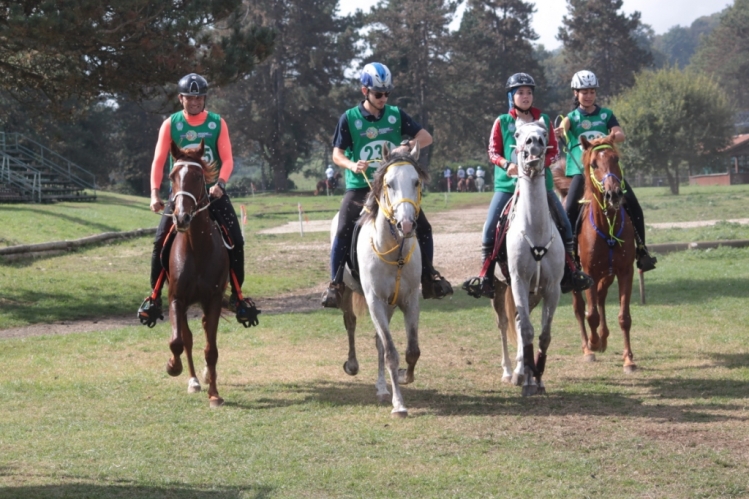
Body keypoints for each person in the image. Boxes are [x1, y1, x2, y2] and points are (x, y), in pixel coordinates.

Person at [322, 62, 453, 307]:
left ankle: (429, 276)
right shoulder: (349, 118)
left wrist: (406, 145)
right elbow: (336, 155)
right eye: (378, 94)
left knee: (423, 227)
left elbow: (426, 137)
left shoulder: (395, 115)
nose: (384, 98)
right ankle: (336, 284)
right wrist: (352, 165)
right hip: (361, 186)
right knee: (342, 229)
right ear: (365, 92)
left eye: (387, 93)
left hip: (393, 187)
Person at [137, 73, 259, 327]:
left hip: (212, 195)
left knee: (235, 239)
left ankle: (238, 298)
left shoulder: (217, 123)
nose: (194, 102)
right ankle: (153, 297)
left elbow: (227, 159)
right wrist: (154, 193)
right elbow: (159, 161)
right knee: (160, 240)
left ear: (204, 99)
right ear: (181, 98)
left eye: (198, 98)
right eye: (189, 98)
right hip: (180, 195)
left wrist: (220, 185)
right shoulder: (171, 124)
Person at [462, 73, 593, 299]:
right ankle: (485, 276)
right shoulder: (502, 121)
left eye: (529, 92)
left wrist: (544, 162)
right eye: (520, 92)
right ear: (512, 96)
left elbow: (554, 150)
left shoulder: (543, 120)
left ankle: (570, 271)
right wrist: (507, 164)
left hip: (542, 185)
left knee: (565, 224)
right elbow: (493, 152)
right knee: (490, 227)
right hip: (507, 186)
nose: (525, 96)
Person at [554, 70, 657, 271]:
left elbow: (620, 134)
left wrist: (607, 138)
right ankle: (567, 259)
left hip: (608, 172)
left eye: (592, 91)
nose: (589, 95)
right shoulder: (572, 117)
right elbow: (561, 130)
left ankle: (642, 251)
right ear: (576, 93)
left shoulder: (606, 114)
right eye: (584, 92)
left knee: (634, 206)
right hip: (581, 173)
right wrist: (558, 132)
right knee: (568, 212)